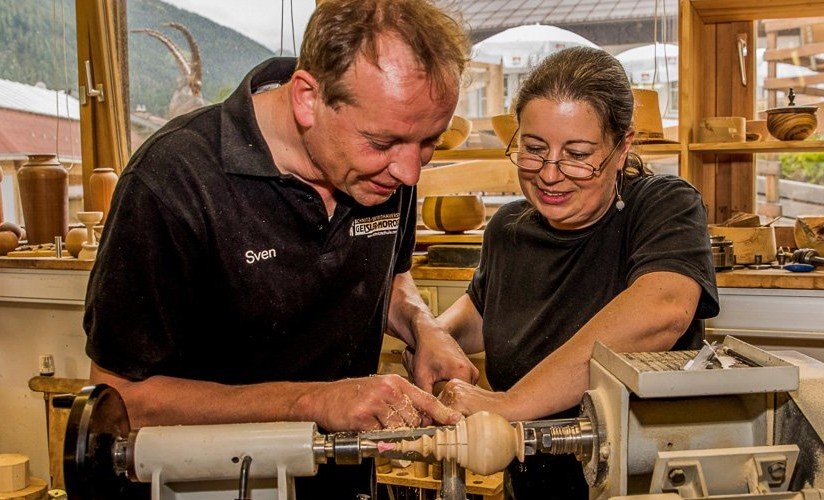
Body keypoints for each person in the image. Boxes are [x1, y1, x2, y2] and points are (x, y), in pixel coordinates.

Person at [83, 0, 479, 496]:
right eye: (382, 143)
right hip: (213, 483)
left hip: (340, 475)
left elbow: (392, 277)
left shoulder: (388, 164)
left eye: (430, 144)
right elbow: (120, 397)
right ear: (307, 98)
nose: (409, 173)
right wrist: (311, 402)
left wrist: (423, 328)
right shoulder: (173, 183)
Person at [434, 46, 720, 499]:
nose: (549, 174)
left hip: (636, 485)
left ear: (622, 147)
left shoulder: (662, 206)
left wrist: (509, 405)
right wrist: (429, 337)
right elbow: (477, 318)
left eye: (578, 154)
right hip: (531, 485)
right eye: (533, 149)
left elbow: (662, 311)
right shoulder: (510, 226)